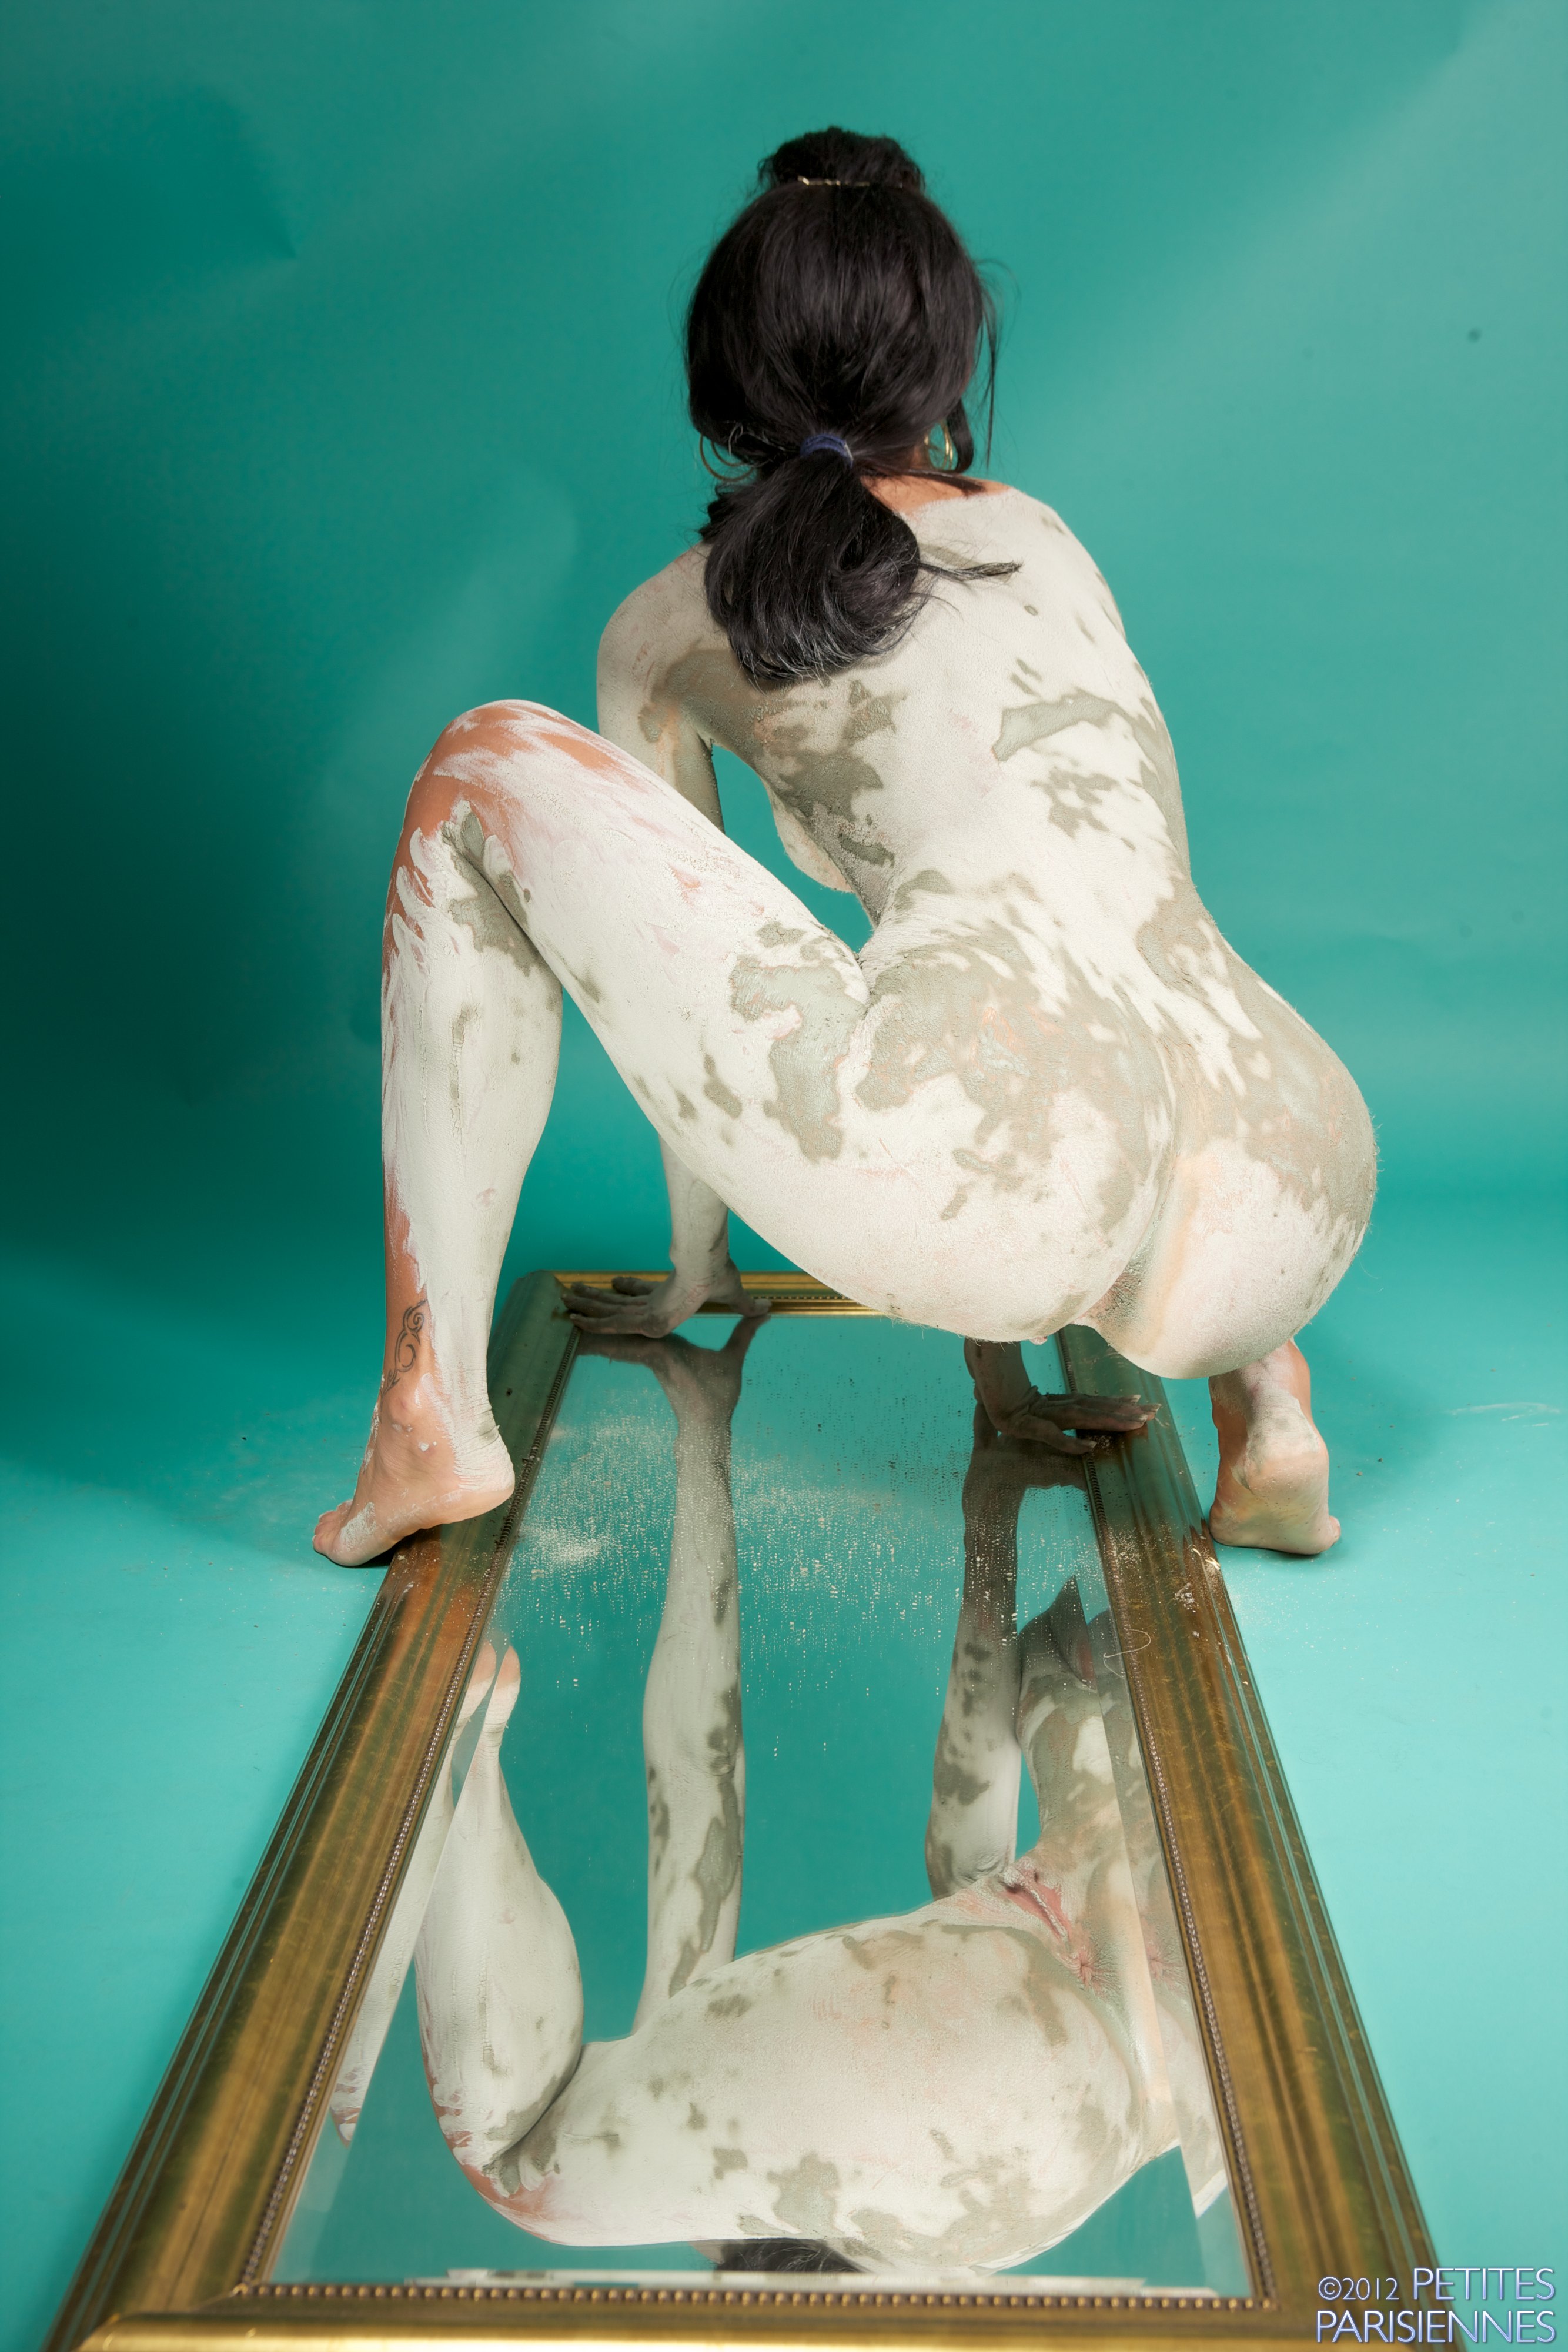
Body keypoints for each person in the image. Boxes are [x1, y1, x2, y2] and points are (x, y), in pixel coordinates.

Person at [314, 126, 1374, 1572]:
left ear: (727, 369)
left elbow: (679, 996)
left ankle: (425, 1411)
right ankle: (1269, 1406)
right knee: (1114, 924)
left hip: (993, 1173)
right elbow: (1087, 923)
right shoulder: (1042, 539)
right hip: (1291, 1172)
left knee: (477, 760)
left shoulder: (671, 625)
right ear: (944, 360)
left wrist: (702, 1268)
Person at [400, 1326, 1222, 2274]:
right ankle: (444, 1750)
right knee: (511, 2163)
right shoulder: (745, 2182)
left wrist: (712, 1435)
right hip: (1029, 2109)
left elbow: (706, 1798)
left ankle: (449, 1750)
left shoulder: (1036, 1989)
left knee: (989, 1843)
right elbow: (697, 1789)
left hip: (1058, 2107)